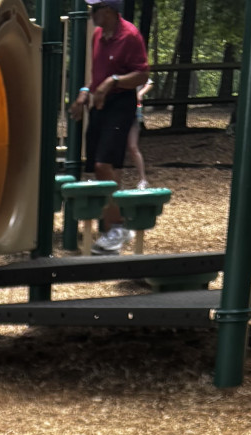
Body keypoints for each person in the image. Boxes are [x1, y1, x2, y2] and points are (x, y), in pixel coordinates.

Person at [69, 0, 148, 254]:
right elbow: (97, 75)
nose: (91, 14)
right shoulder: (98, 35)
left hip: (121, 103)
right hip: (100, 103)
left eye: (95, 9)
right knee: (103, 167)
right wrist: (84, 92)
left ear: (110, 10)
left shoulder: (130, 36)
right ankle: (112, 227)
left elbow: (142, 75)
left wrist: (113, 81)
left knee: (104, 164)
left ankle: (118, 226)